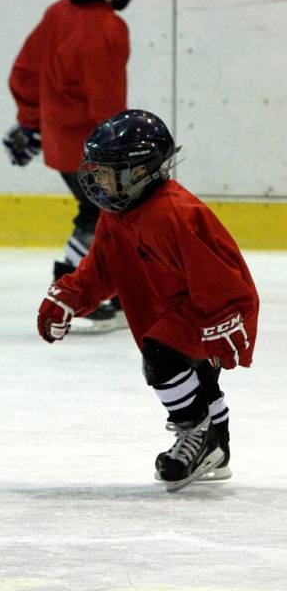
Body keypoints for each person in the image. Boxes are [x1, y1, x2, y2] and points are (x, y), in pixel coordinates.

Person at [36, 109, 259, 492]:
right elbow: (101, 269)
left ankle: (197, 432)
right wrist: (69, 297)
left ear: (139, 172)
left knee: (162, 357)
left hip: (210, 311)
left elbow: (222, 277)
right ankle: (217, 447)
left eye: (109, 170)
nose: (99, 178)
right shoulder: (118, 213)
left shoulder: (176, 214)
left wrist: (225, 322)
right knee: (198, 375)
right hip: (173, 311)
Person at [4, 0, 136, 333]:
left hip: (61, 144)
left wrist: (31, 123)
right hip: (91, 148)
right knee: (109, 213)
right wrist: (116, 150)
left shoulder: (57, 12)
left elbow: (23, 74)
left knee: (105, 212)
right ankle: (75, 293)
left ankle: (111, 293)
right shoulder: (108, 27)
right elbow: (106, 101)